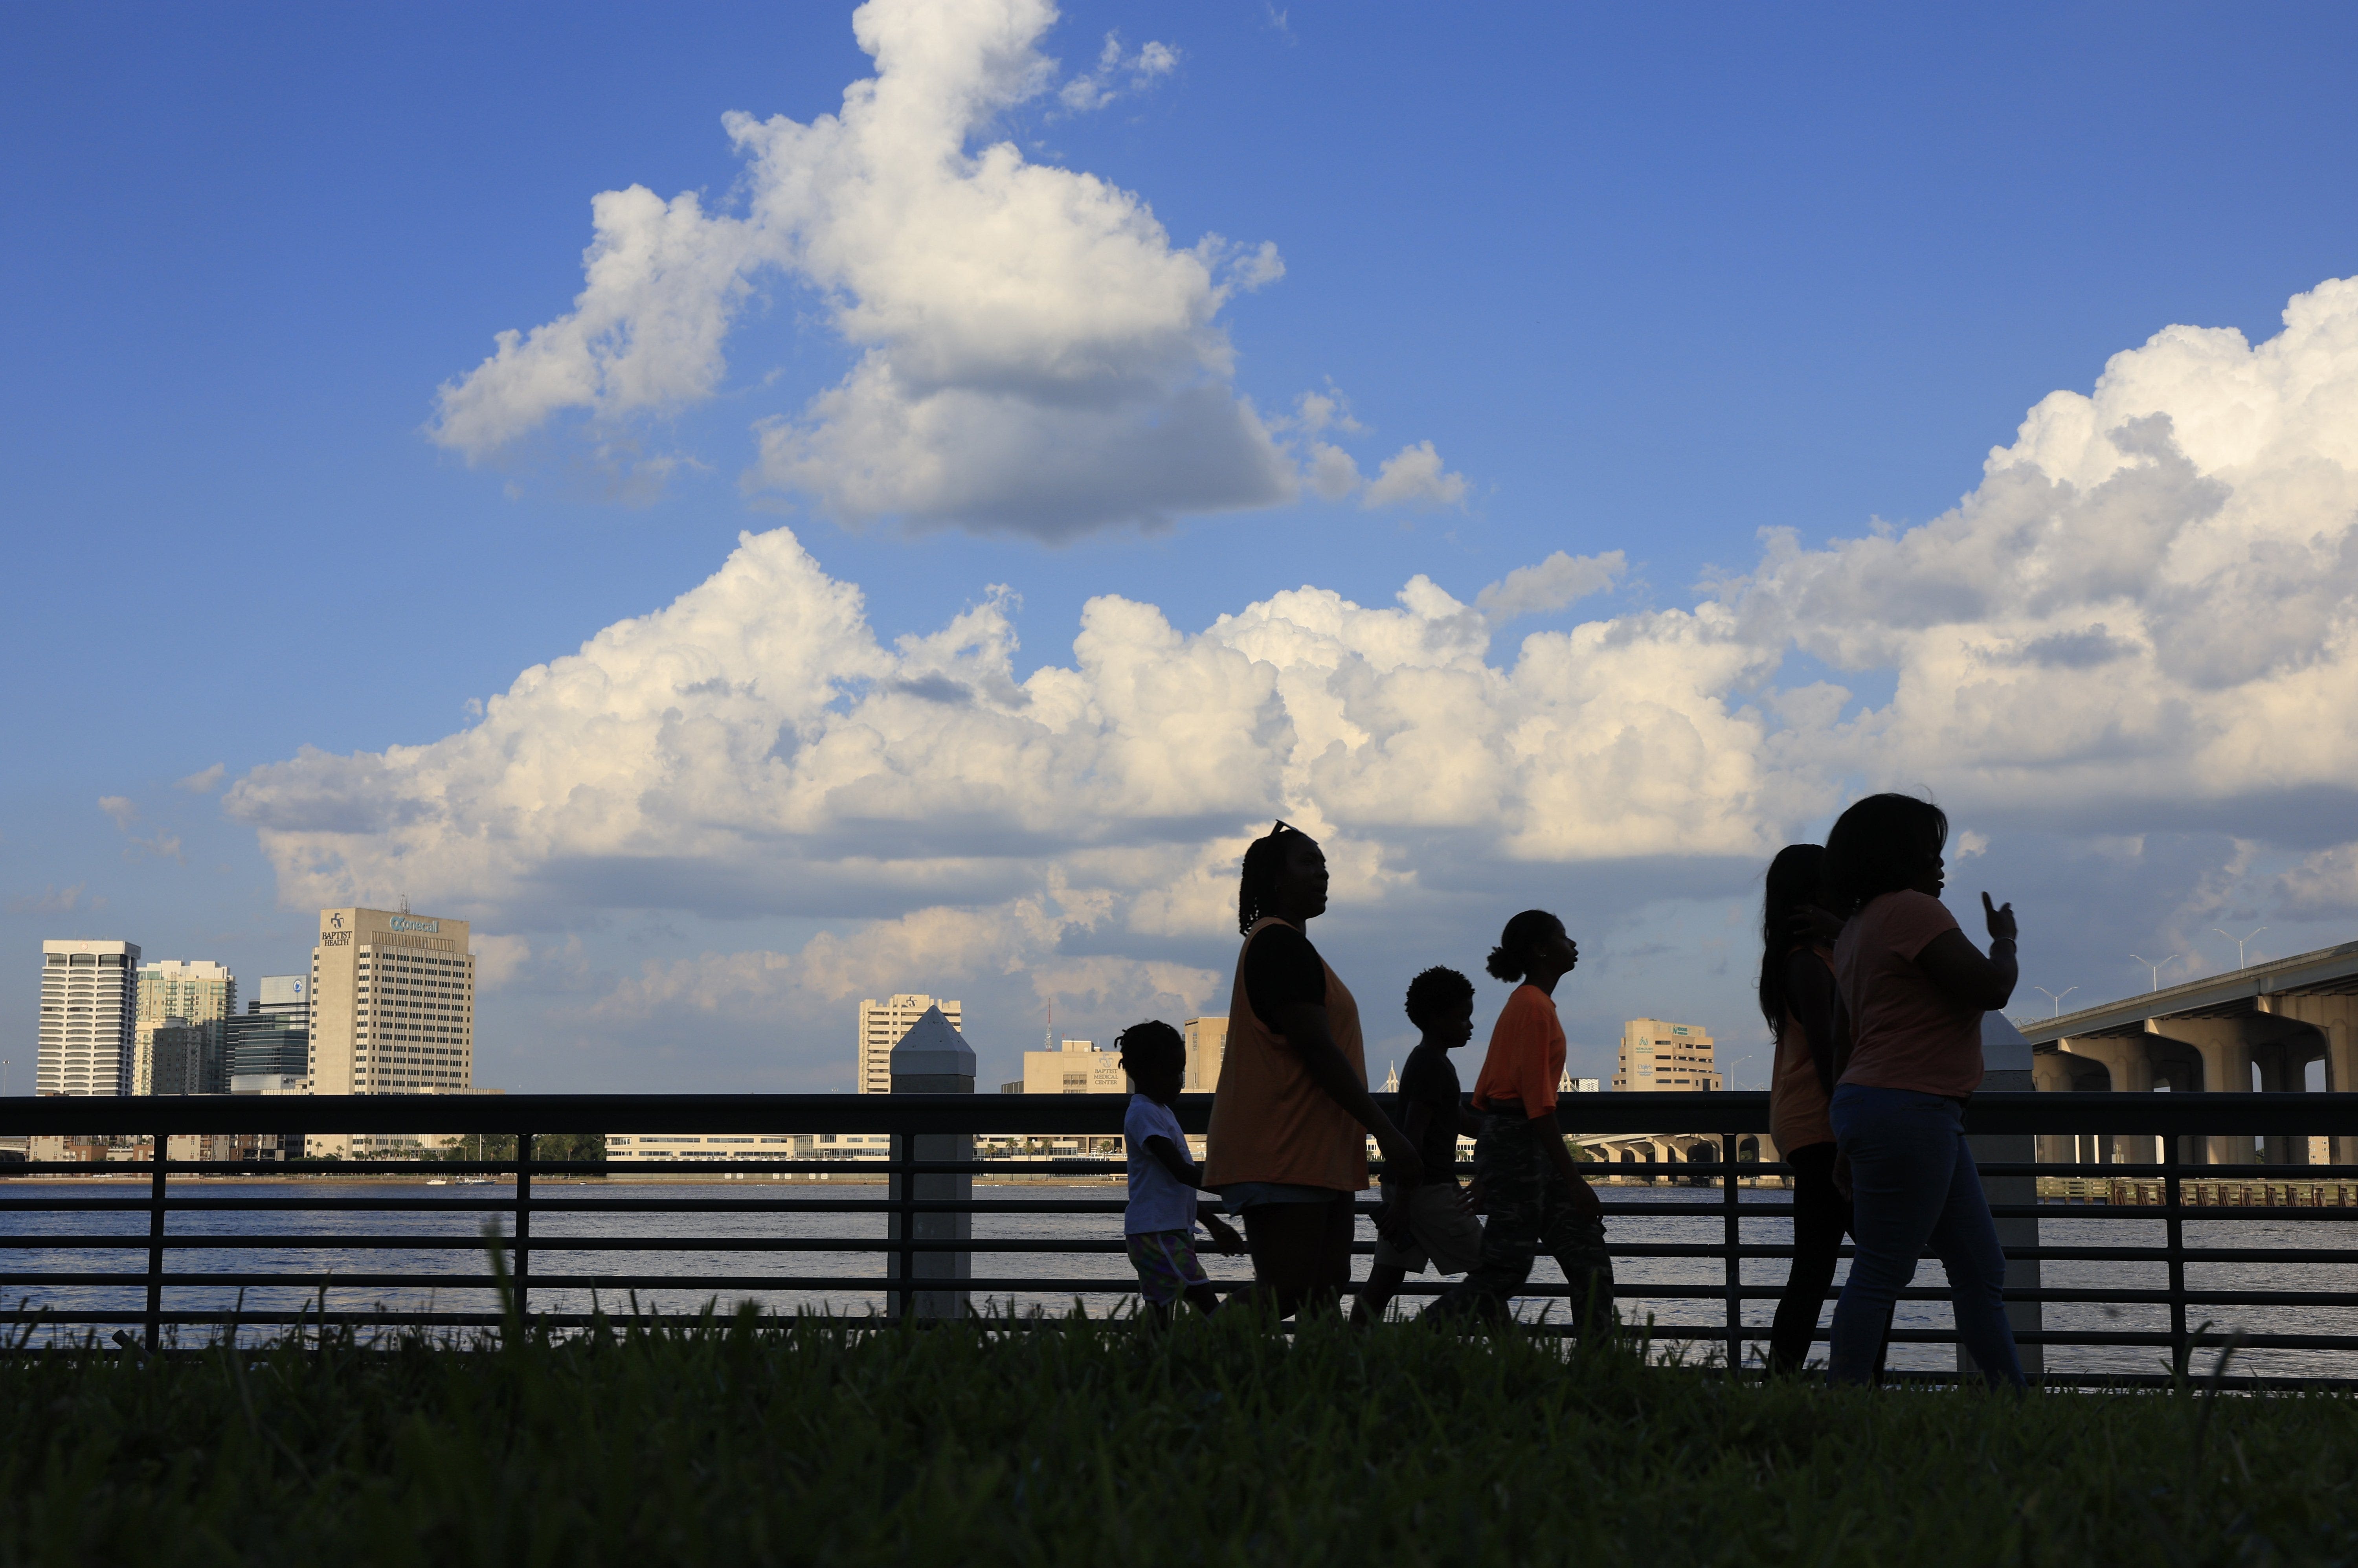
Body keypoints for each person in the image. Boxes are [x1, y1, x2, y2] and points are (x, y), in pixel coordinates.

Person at [1821, 793, 2026, 1388]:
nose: (1941, 865)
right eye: (1930, 851)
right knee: (1884, 1268)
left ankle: (2014, 1399)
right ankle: (1844, 1402)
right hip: (1911, 1106)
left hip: (1890, 1106)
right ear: (1898, 855)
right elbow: (1992, 989)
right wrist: (2005, 940)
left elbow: (1844, 1041)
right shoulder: (1912, 911)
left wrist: (1846, 1135)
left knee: (1979, 1266)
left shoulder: (1856, 929)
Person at [1205, 821, 1427, 1320]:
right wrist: (1387, 1132)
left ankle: (1313, 1391)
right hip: (1281, 1149)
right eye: (1308, 862)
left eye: (1324, 863)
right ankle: (1172, 1362)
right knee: (1288, 1288)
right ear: (1275, 878)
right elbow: (1320, 1053)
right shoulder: (1279, 946)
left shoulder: (1292, 948)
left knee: (1324, 1287)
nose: (1322, 873)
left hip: (1313, 1150)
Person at [1424, 911, 1614, 1337]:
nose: (1574, 945)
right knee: (1505, 1270)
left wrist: (1496, 1163)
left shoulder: (1532, 1005)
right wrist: (1574, 1181)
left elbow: (1487, 1095)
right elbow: (1536, 1105)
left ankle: (1595, 1370)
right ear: (1542, 950)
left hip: (1519, 1144)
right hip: (1522, 1141)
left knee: (1590, 1264)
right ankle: (1416, 1338)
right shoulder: (1531, 1007)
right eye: (1565, 938)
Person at [1759, 843, 1850, 1375]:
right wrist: (1853, 1128)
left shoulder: (1827, 954)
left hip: (1816, 1124)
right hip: (1823, 1127)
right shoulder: (1808, 965)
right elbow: (1828, 1056)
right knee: (1873, 1260)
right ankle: (1858, 1378)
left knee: (1819, 1264)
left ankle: (1791, 1376)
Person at [1351, 967, 1487, 1324]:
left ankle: (1349, 1349)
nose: (1470, 1026)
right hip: (1428, 1191)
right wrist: (1404, 1207)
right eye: (1462, 1017)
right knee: (1491, 1271)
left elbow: (1456, 1119)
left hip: (1404, 1189)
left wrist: (1495, 1131)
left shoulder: (1427, 1060)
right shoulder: (1433, 1066)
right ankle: (1512, 1355)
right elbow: (1414, 1136)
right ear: (1436, 1018)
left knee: (1384, 1280)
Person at [1117, 1021, 1245, 1323]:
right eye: (1171, 1072)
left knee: (1161, 1316)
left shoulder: (1158, 1111)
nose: (1179, 1081)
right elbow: (1181, 1172)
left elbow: (1175, 1187)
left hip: (1160, 1232)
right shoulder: (1145, 1113)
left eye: (1181, 1071)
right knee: (1208, 1307)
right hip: (1158, 1235)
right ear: (1144, 1072)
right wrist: (1235, 1186)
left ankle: (1154, 1365)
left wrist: (1213, 1223)